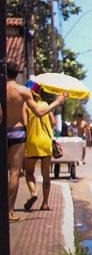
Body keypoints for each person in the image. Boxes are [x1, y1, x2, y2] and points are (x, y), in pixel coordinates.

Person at [5, 62, 66, 222]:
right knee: (15, 173)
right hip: (17, 133)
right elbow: (40, 112)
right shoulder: (23, 91)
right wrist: (57, 102)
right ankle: (10, 211)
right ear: (18, 72)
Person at [22, 81, 58, 211]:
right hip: (46, 142)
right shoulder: (45, 105)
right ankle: (45, 203)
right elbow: (53, 123)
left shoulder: (26, 106)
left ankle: (33, 193)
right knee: (46, 174)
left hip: (32, 141)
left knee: (29, 172)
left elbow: (25, 124)